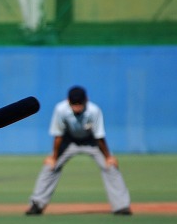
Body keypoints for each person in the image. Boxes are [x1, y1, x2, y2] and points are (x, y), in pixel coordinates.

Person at [26, 85, 132, 215]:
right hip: (68, 140)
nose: (76, 106)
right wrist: (53, 157)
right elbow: (58, 135)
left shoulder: (94, 110)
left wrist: (108, 156)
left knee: (110, 166)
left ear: (86, 100)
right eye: (73, 103)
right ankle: (37, 204)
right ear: (68, 101)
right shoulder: (61, 109)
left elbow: (99, 136)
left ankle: (121, 206)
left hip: (91, 141)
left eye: (79, 103)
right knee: (50, 167)